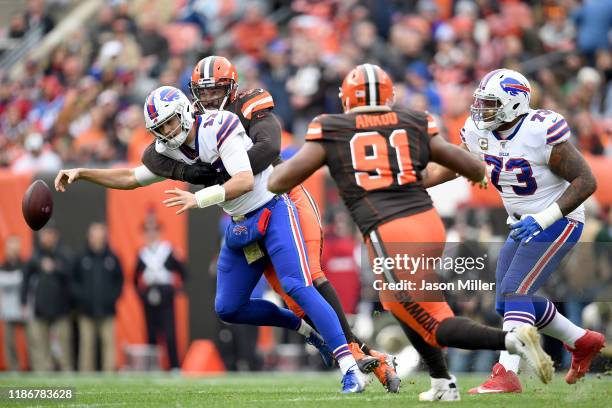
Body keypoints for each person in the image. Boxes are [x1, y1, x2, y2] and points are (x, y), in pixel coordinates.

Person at [267, 63, 554, 401]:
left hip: (389, 231)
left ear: (346, 99)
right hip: (427, 223)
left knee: (434, 321)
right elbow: (472, 166)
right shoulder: (414, 120)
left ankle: (511, 341)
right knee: (394, 302)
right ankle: (442, 382)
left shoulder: (331, 127)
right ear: (389, 96)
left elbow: (277, 181)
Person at [54, 86, 369, 393]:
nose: (166, 131)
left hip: (272, 210)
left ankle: (350, 369)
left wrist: (198, 199)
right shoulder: (166, 149)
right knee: (228, 307)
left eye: (170, 121)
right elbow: (130, 177)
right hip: (240, 224)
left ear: (185, 113)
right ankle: (308, 331)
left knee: (297, 285)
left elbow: (244, 180)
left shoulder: (219, 125)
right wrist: (83, 172)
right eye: (159, 127)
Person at [140, 56, 398, 390]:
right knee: (294, 301)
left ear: (232, 87)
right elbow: (149, 159)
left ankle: (354, 360)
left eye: (216, 90)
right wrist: (189, 171)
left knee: (307, 282)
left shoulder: (247, 106)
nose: (208, 99)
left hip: (283, 197)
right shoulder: (189, 123)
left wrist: (219, 174)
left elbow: (268, 147)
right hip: (245, 215)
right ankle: (366, 357)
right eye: (202, 93)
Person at [422, 68, 606, 394]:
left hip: (558, 218)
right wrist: (415, 183)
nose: (482, 111)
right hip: (521, 223)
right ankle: (581, 340)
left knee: (515, 291)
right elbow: (462, 165)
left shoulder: (540, 130)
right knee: (506, 305)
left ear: (515, 103)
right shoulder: (480, 132)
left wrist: (544, 218)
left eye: (491, 104)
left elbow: (586, 181)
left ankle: (507, 373)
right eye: (481, 103)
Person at [21, 221, 73, 372]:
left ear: (56, 236)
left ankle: (66, 371)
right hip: (39, 308)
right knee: (39, 346)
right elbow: (25, 280)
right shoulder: (34, 257)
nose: (47, 237)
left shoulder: (64, 254)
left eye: (50, 234)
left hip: (61, 309)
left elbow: (70, 276)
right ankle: (41, 374)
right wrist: (23, 302)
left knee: (63, 346)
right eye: (44, 234)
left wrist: (54, 267)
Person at [72, 222, 123, 372]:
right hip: (86, 311)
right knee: (86, 345)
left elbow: (119, 281)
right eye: (95, 236)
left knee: (109, 344)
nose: (98, 239)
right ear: (89, 237)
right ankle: (85, 376)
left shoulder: (112, 258)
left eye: (101, 236)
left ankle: (109, 375)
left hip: (107, 311)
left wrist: (112, 298)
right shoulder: (81, 258)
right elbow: (73, 281)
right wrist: (82, 298)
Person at [134, 216, 184, 370]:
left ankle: (174, 366)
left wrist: (175, 290)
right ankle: (152, 366)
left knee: (169, 332)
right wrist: (141, 295)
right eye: (147, 231)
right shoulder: (142, 254)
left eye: (154, 230)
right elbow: (134, 278)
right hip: (149, 295)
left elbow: (182, 272)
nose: (151, 234)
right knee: (151, 332)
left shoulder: (168, 251)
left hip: (166, 294)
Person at [0, 236, 28, 371]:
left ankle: (35, 367)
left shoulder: (25, 265)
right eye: (10, 248)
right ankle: (13, 368)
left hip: (24, 309)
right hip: (8, 310)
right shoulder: (2, 266)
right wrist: (18, 278)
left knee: (32, 341)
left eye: (15, 248)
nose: (13, 251)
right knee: (9, 343)